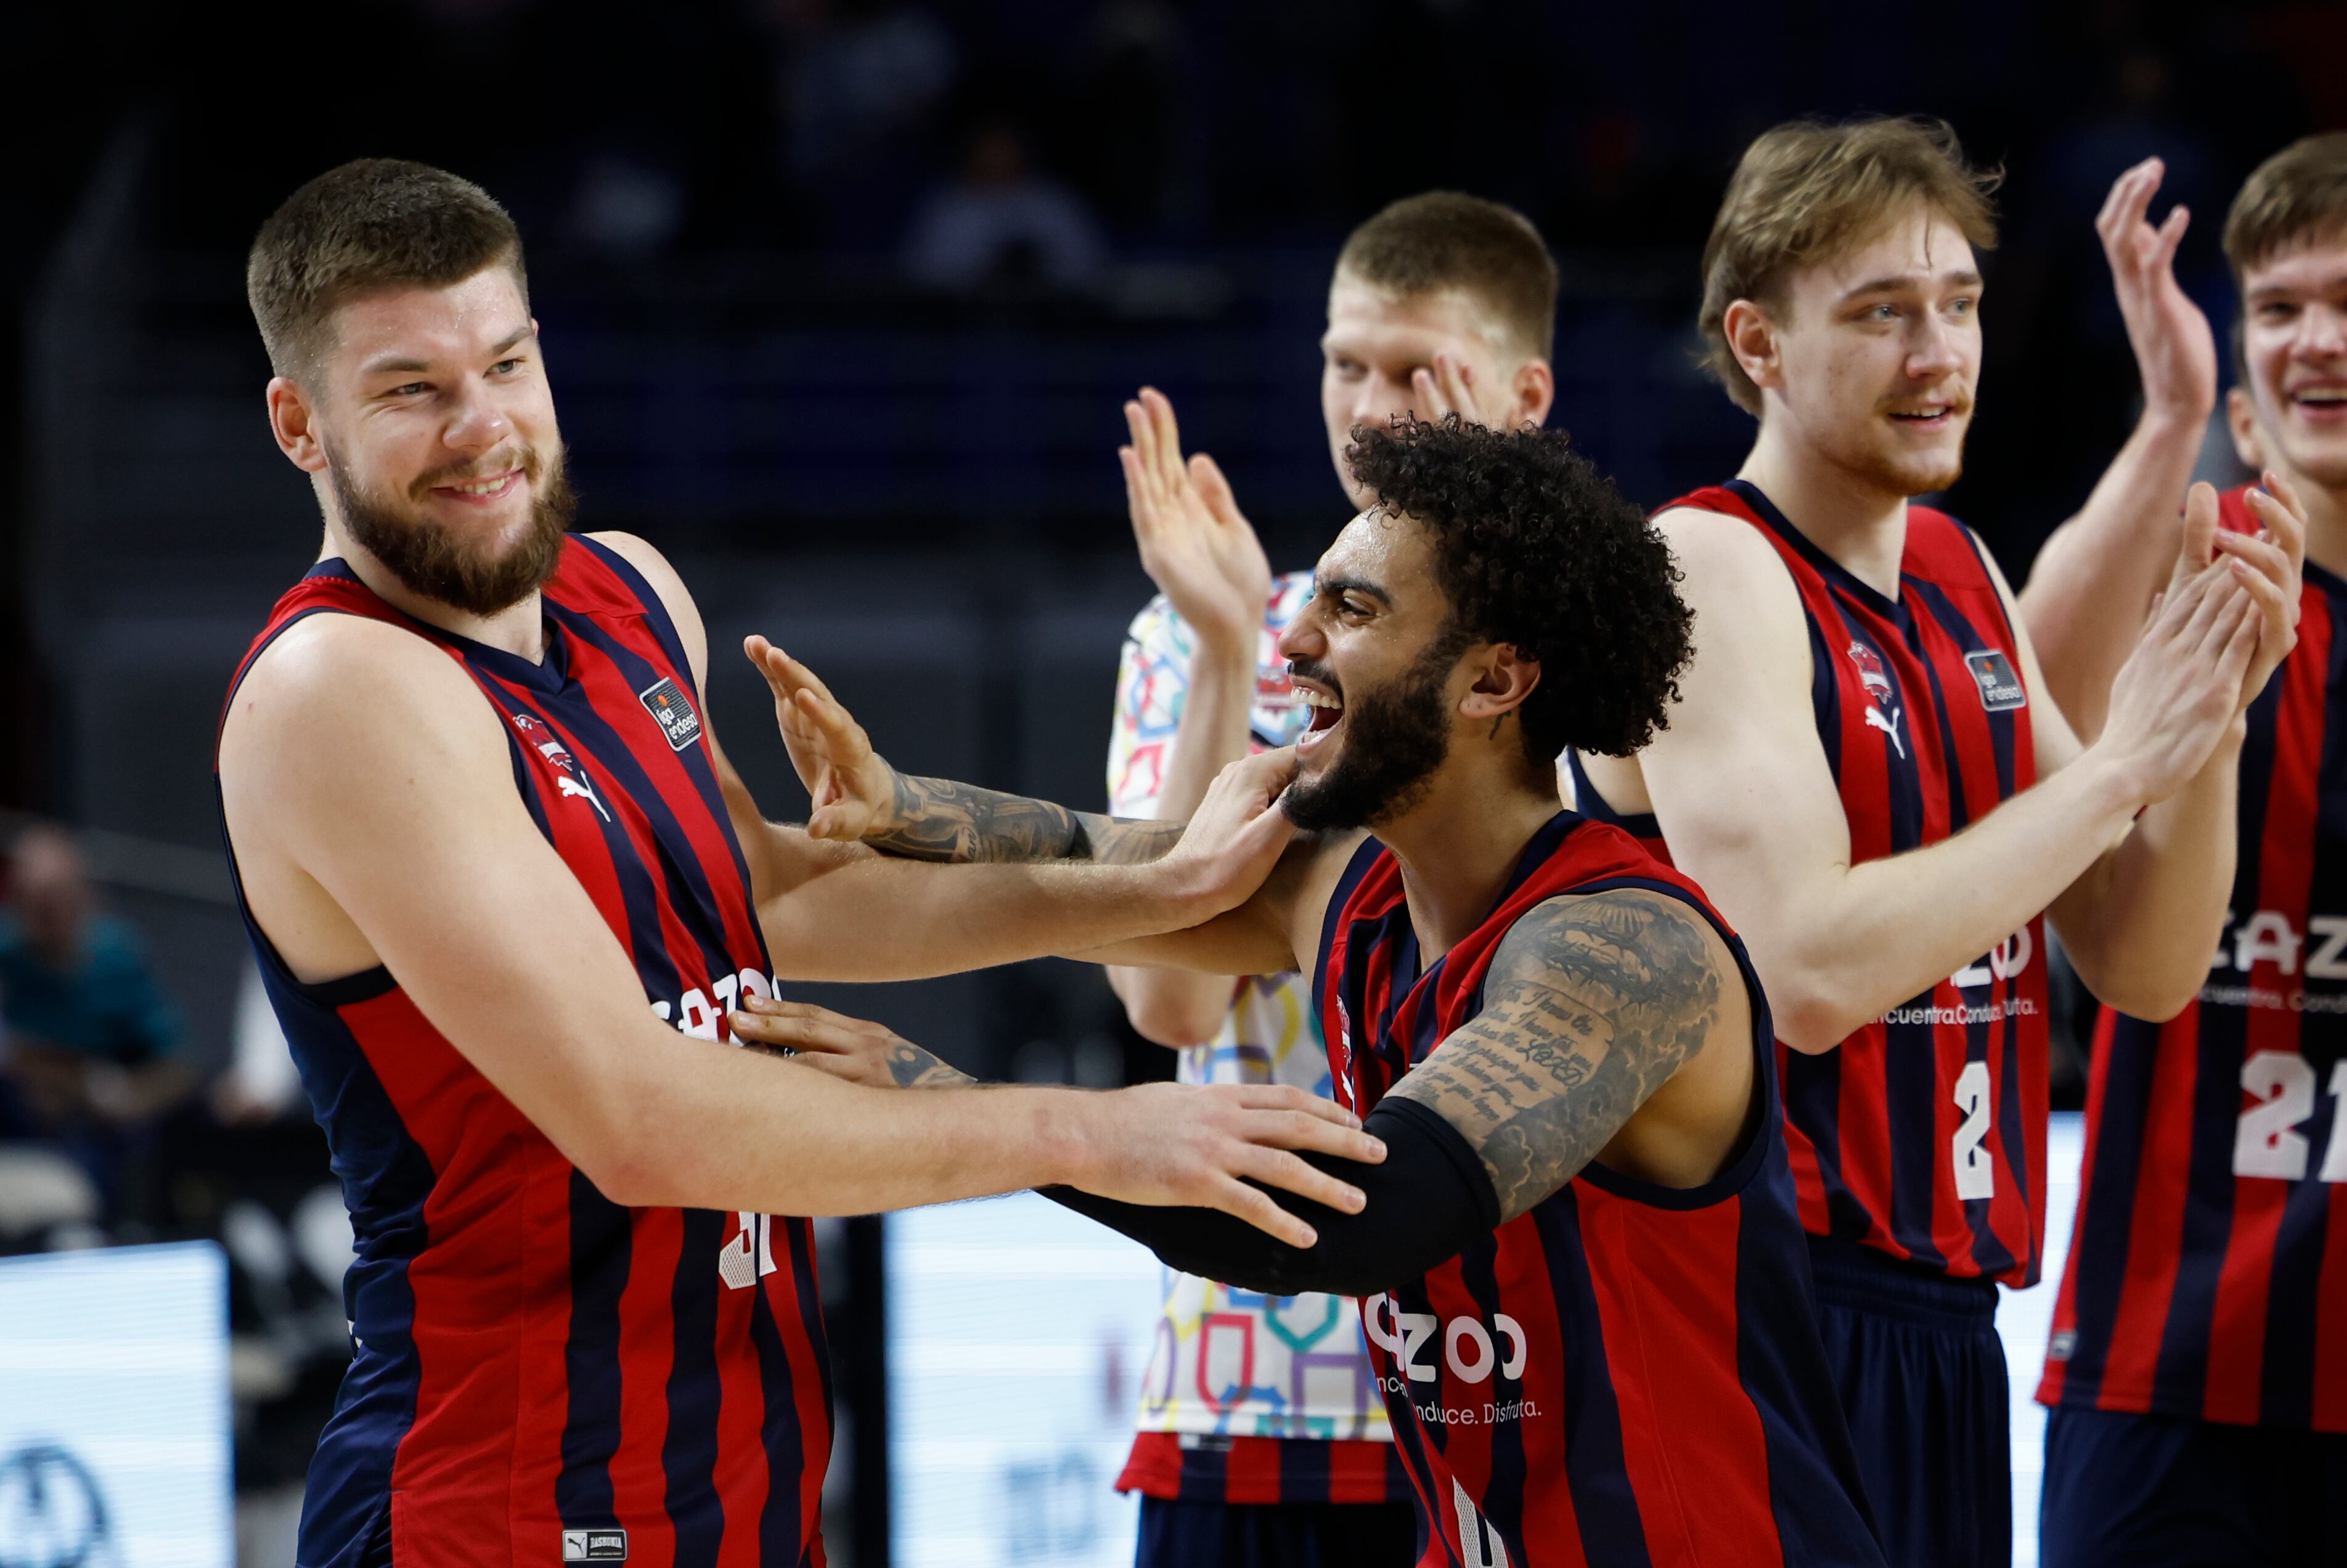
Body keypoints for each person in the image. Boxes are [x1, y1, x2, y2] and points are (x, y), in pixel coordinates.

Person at [215, 158, 1382, 1568]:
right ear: (300, 423)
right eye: (412, 389)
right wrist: (1090, 1134)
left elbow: (763, 897)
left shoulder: (625, 589)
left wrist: (1141, 893)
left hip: (741, 1478)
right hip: (508, 1501)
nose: (483, 427)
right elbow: (638, 1118)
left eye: (507, 364)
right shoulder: (339, 684)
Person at [738, 417, 1892, 1568]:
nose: (1291, 640)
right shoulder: (1347, 887)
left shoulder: (1619, 949)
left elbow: (1351, 1222)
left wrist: (945, 1102)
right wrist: (898, 804)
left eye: (1352, 609)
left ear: (1494, 677)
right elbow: (1117, 857)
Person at [1561, 116, 2303, 1568]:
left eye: (1958, 304)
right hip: (1758, 1317)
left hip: (1947, 1327)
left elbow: (2146, 963)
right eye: (1882, 314)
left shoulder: (1960, 573)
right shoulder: (1707, 564)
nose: (1938, 354)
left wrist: (2208, 723)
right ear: (1758, 344)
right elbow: (1803, 969)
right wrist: (2124, 767)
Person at [1097, 192, 1557, 1567]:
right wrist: (1232, 642)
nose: (1371, 408)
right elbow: (1158, 1006)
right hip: (1250, 1378)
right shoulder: (1192, 626)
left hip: (1512, 1379)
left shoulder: (1591, 647)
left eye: (1417, 371)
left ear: (1522, 394)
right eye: (1342, 364)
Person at [2020, 137, 2347, 1567]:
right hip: (2169, 1355)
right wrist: (2171, 418)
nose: (2314, 340)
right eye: (2277, 306)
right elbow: (2017, 688)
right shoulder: (2183, 572)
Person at [0, 823, 190, 1219]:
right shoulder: (7, 955)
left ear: (84, 895)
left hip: (96, 1129)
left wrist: (111, 1096)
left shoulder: (115, 954)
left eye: (58, 898)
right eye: (34, 900)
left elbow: (178, 1065)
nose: (47, 913)